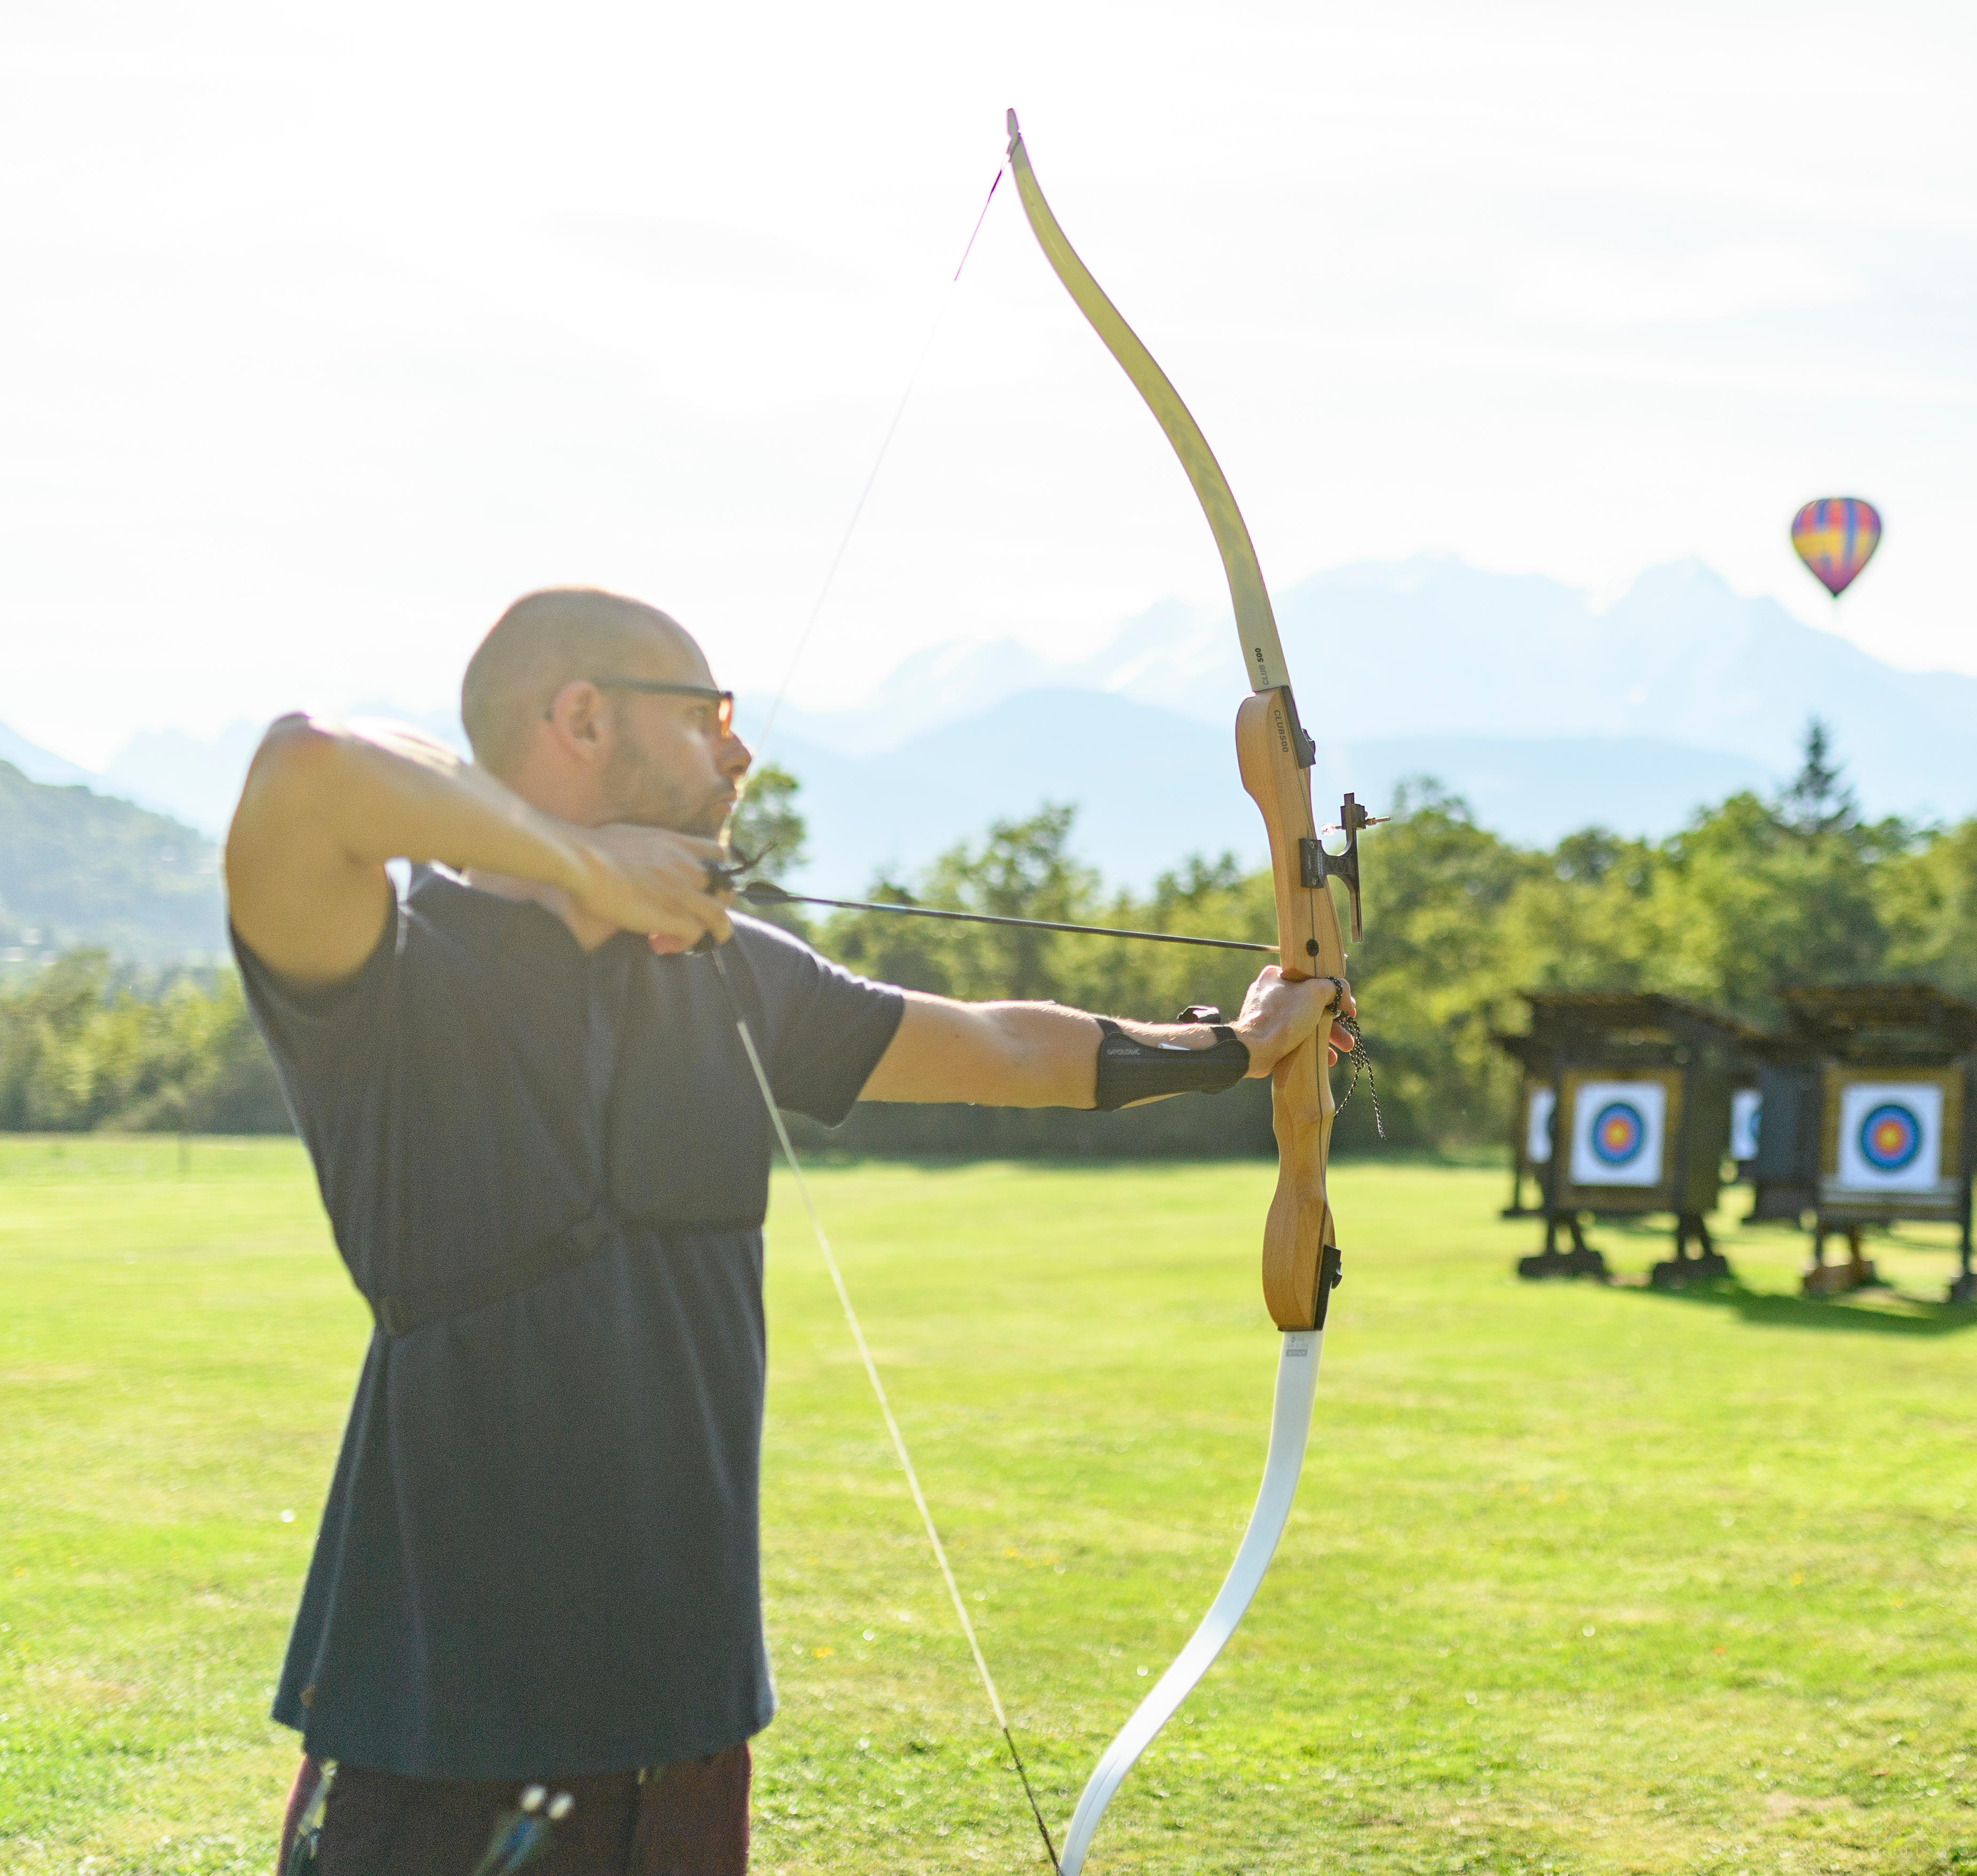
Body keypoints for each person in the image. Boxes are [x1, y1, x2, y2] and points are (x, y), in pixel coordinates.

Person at [225, 588, 1352, 1874]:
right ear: (580, 717)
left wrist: (1231, 1047)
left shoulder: (725, 965)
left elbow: (996, 1046)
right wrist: (584, 862)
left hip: (686, 1728)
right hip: (438, 1726)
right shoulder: (393, 971)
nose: (738, 751)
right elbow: (305, 767)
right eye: (708, 714)